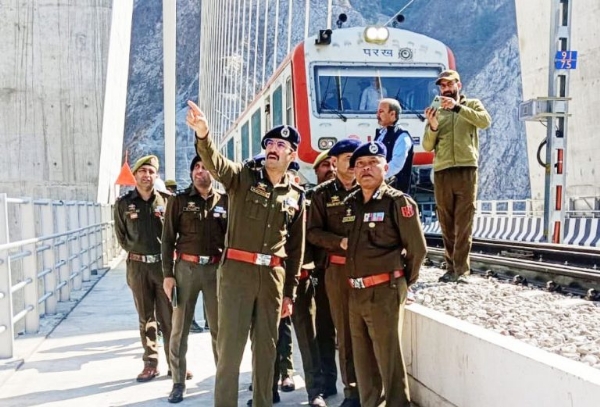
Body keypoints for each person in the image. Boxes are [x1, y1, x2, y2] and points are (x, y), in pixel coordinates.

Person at [186, 101, 305, 407]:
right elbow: (216, 164)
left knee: (267, 351)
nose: (273, 149)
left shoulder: (296, 195)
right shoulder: (243, 177)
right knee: (230, 351)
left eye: (281, 145)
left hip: (272, 278)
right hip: (237, 274)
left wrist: (289, 292)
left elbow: (295, 248)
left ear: (292, 155)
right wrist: (204, 135)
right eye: (270, 144)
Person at [345, 141, 426, 406]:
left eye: (373, 163)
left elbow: (417, 249)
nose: (365, 169)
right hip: (356, 292)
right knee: (363, 363)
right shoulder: (352, 203)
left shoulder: (397, 202)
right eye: (360, 164)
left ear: (386, 168)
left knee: (388, 359)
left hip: (384, 291)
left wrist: (402, 282)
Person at [161, 155, 227, 403]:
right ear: (191, 173)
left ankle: (223, 380)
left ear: (213, 172)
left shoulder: (225, 200)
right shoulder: (178, 201)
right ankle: (178, 382)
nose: (200, 171)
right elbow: (167, 239)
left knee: (219, 329)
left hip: (215, 271)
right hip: (185, 270)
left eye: (205, 167)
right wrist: (168, 275)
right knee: (180, 329)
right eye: (196, 167)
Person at [423, 69, 492, 283]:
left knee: (464, 219)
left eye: (449, 84)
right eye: (442, 85)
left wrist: (457, 108)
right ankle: (450, 267)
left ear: (458, 85)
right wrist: (433, 126)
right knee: (446, 220)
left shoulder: (472, 104)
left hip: (466, 168)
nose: (445, 89)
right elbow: (427, 145)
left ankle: (461, 270)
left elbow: (485, 122)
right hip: (442, 170)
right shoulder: (436, 109)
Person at [307, 139, 362, 407]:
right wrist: (339, 242)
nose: (353, 164)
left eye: (356, 159)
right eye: (348, 158)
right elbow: (312, 232)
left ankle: (370, 389)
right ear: (334, 162)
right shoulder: (321, 194)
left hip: (368, 269)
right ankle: (346, 388)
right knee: (335, 331)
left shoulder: (371, 189)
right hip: (333, 270)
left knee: (365, 332)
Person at [114, 155, 173, 382]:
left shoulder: (167, 201)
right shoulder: (124, 203)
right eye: (142, 171)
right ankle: (150, 364)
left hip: (162, 267)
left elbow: (175, 233)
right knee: (146, 318)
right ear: (135, 174)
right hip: (138, 267)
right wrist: (137, 251)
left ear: (156, 175)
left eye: (151, 171)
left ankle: (175, 364)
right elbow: (121, 236)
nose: (146, 175)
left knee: (169, 317)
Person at [308, 150, 338, 400]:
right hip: (319, 272)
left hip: (345, 272)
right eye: (324, 165)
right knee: (323, 331)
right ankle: (328, 382)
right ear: (316, 170)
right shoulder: (309, 198)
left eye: (333, 164)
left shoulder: (351, 195)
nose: (330, 169)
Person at [375, 98, 414, 193]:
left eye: (381, 111)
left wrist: (376, 176)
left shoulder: (402, 137)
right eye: (377, 111)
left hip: (395, 193)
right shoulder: (381, 133)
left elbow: (396, 165)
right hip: (380, 189)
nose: (377, 115)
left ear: (392, 114)